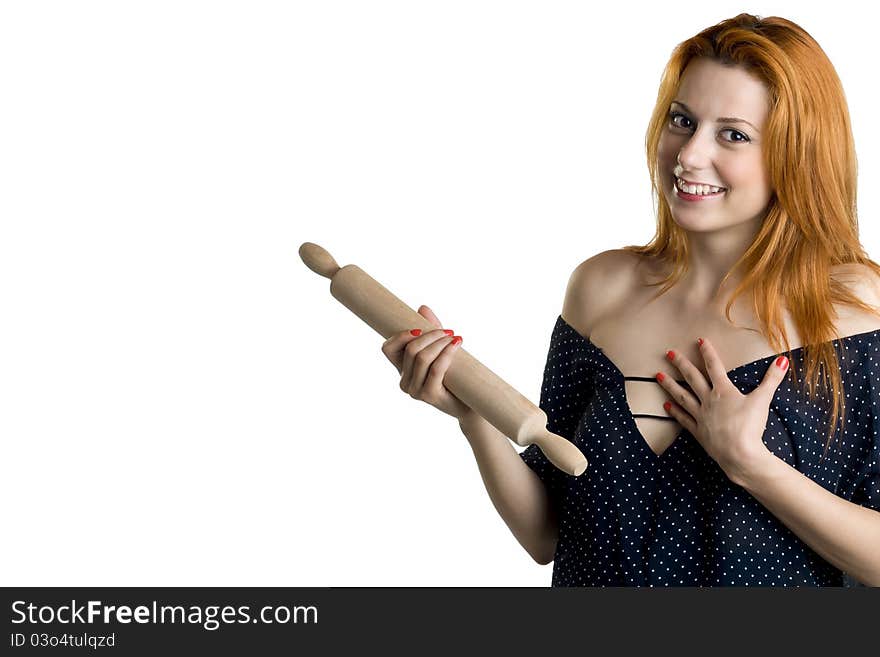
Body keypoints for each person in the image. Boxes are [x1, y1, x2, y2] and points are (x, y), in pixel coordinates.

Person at [380, 13, 880, 587]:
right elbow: (548, 535)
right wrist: (475, 415)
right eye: (682, 121)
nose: (689, 155)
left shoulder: (856, 312)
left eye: (733, 134)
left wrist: (752, 465)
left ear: (798, 152)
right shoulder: (599, 289)